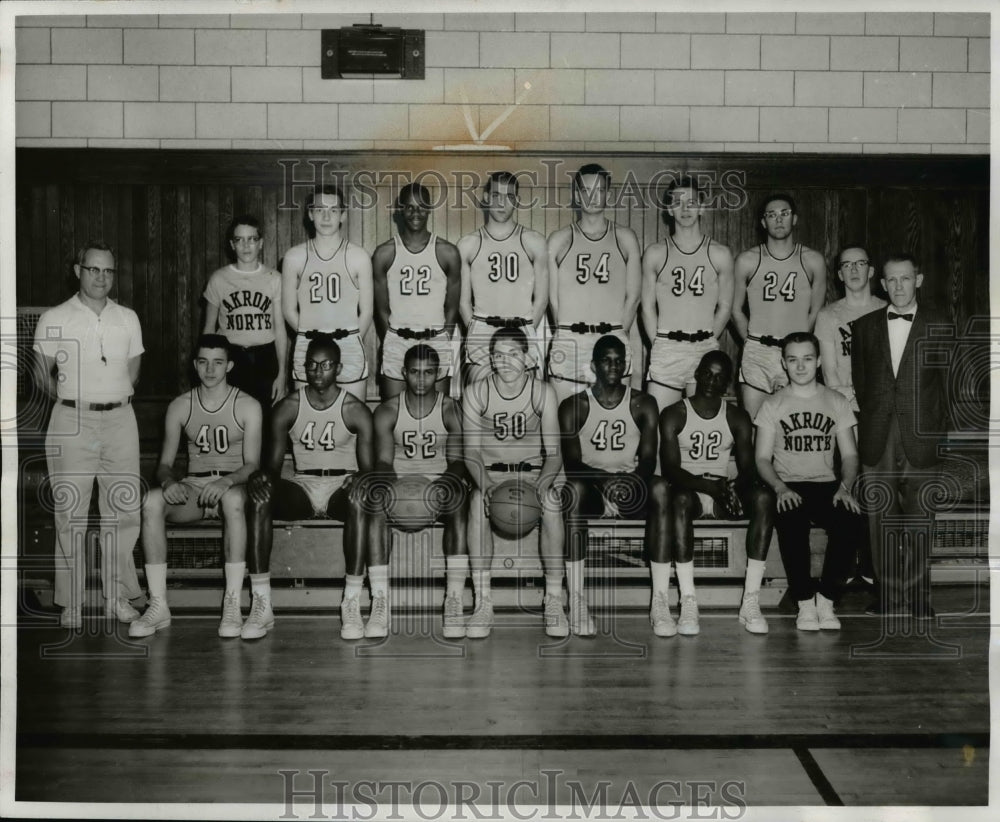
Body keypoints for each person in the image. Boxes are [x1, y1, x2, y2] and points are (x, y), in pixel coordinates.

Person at [32, 241, 145, 628]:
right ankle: (72, 603)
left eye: (108, 271)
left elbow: (133, 372)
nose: (101, 277)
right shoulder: (54, 317)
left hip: (120, 419)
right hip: (71, 421)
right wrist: (75, 401)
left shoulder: (128, 317)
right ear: (77, 270)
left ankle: (118, 598)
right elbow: (39, 375)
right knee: (70, 513)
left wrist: (108, 399)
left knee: (123, 510)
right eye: (93, 269)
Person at [129, 335, 262, 638]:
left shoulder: (248, 405)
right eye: (203, 362)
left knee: (233, 501)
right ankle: (159, 604)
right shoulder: (180, 405)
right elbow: (163, 463)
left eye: (217, 362)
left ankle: (232, 603)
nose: (210, 369)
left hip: (231, 485)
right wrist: (168, 481)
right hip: (195, 487)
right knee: (150, 502)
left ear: (229, 365)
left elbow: (252, 464)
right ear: (195, 365)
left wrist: (227, 480)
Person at [245, 335, 374, 640]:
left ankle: (351, 603)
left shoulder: (355, 409)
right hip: (303, 483)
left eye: (326, 365)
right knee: (260, 498)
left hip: (341, 485)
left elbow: (369, 470)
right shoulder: (287, 407)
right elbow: (273, 470)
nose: (318, 371)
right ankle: (261, 603)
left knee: (360, 497)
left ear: (338, 368)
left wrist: (361, 479)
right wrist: (259, 477)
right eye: (312, 365)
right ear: (303, 368)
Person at [851, 254, 953, 619]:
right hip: (878, 434)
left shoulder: (940, 324)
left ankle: (917, 597)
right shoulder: (863, 327)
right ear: (882, 283)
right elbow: (862, 385)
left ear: (919, 280)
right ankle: (886, 595)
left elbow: (949, 386)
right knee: (880, 518)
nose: (898, 287)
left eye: (905, 279)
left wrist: (942, 434)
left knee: (919, 519)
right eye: (891, 280)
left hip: (922, 436)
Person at [754, 333, 865, 631]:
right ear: (784, 363)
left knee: (851, 518)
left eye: (806, 359)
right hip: (789, 482)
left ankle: (826, 600)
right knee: (792, 518)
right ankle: (804, 602)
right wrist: (779, 487)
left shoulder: (836, 401)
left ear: (818, 361)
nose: (800, 366)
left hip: (827, 483)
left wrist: (845, 487)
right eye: (793, 360)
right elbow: (762, 458)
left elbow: (851, 455)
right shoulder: (773, 404)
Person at [659, 351, 776, 635]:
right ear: (697, 374)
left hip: (722, 488)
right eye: (707, 374)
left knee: (764, 497)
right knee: (680, 500)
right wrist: (710, 486)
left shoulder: (737, 416)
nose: (712, 381)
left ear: (728, 383)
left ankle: (751, 600)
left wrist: (735, 487)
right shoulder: (674, 413)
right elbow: (672, 470)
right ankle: (688, 600)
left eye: (720, 376)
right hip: (691, 490)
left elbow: (748, 468)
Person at [559, 335, 668, 636]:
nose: (613, 366)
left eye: (619, 360)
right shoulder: (573, 405)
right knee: (573, 491)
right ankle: (577, 599)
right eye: (606, 360)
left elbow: (647, 459)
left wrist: (631, 482)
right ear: (593, 365)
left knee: (660, 488)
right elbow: (572, 465)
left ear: (626, 364)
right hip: (593, 489)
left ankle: (660, 599)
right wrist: (605, 481)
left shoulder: (644, 402)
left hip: (630, 487)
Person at [462, 327, 566, 638]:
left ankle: (554, 600)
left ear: (528, 358)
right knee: (477, 500)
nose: (505, 362)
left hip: (532, 472)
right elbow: (470, 453)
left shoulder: (543, 392)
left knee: (550, 502)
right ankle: (483, 603)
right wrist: (486, 484)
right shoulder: (475, 392)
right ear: (490, 360)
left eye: (513, 354)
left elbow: (555, 454)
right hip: (492, 473)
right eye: (497, 355)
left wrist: (540, 486)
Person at [370, 344, 470, 638]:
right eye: (415, 372)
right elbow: (383, 462)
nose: (422, 379)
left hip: (438, 481)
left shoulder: (451, 408)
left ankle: (453, 600)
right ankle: (380, 601)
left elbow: (458, 462)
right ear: (404, 374)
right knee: (374, 501)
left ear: (438, 375)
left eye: (428, 373)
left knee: (460, 501)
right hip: (400, 480)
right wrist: (393, 487)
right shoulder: (388, 410)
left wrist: (443, 483)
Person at [814, 245, 886, 587]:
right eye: (847, 265)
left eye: (861, 263)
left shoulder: (887, 309)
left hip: (880, 408)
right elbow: (829, 374)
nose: (855, 270)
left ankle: (871, 564)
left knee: (874, 484)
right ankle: (844, 562)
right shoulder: (829, 316)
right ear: (839, 274)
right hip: (844, 408)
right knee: (847, 480)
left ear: (871, 271)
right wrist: (851, 407)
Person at [548, 163, 642, 403]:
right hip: (571, 340)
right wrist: (568, 331)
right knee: (565, 422)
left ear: (608, 195)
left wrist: (616, 334)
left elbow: (633, 297)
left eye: (598, 190)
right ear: (577, 195)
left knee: (611, 421)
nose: (591, 196)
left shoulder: (625, 238)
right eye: (585, 190)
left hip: (611, 338)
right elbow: (553, 300)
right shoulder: (559, 240)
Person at [640, 176, 734, 411]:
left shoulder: (719, 253)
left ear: (701, 207)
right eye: (678, 202)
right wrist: (659, 342)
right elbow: (647, 307)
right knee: (660, 424)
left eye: (691, 202)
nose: (685, 208)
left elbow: (725, 306)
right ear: (670, 209)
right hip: (667, 346)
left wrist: (708, 338)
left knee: (702, 424)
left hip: (704, 345)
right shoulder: (656, 253)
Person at [732, 194, 827, 418]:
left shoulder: (812, 260)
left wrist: (799, 343)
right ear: (763, 222)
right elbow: (735, 310)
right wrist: (752, 341)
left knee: (792, 425)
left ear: (794, 219)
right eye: (771, 215)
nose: (778, 219)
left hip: (795, 352)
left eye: (784, 214)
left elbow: (816, 311)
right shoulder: (748, 260)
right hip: (757, 350)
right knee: (756, 423)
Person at [281, 184, 373, 400]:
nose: (326, 216)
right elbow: (288, 309)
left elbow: (367, 311)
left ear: (343, 215)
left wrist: (349, 337)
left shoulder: (358, 256)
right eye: (320, 209)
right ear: (310, 214)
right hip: (308, 342)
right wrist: (311, 335)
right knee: (306, 415)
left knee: (352, 413)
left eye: (333, 210)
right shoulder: (294, 256)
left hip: (348, 342)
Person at [458, 171, 549, 384]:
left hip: (520, 328)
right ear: (487, 198)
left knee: (524, 405)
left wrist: (524, 328)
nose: (502, 203)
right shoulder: (468, 244)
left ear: (517, 201)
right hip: (482, 329)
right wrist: (476, 329)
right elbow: (463, 302)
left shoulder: (533, 241)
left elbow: (542, 300)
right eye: (496, 195)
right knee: (481, 403)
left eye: (509, 196)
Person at [373, 182, 461, 399]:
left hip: (435, 338)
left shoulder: (447, 252)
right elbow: (381, 310)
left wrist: (441, 338)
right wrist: (394, 338)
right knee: (394, 411)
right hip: (397, 340)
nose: (415, 213)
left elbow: (452, 308)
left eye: (421, 206)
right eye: (409, 207)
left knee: (437, 412)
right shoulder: (384, 253)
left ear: (429, 209)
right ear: (400, 209)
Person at [203, 215, 288, 408]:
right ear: (232, 245)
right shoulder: (219, 278)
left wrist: (281, 373)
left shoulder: (274, 278)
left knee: (265, 421)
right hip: (231, 357)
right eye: (239, 240)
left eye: (252, 239)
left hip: (265, 358)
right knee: (230, 417)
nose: (246, 245)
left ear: (261, 243)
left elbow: (280, 330)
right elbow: (208, 330)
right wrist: (208, 367)